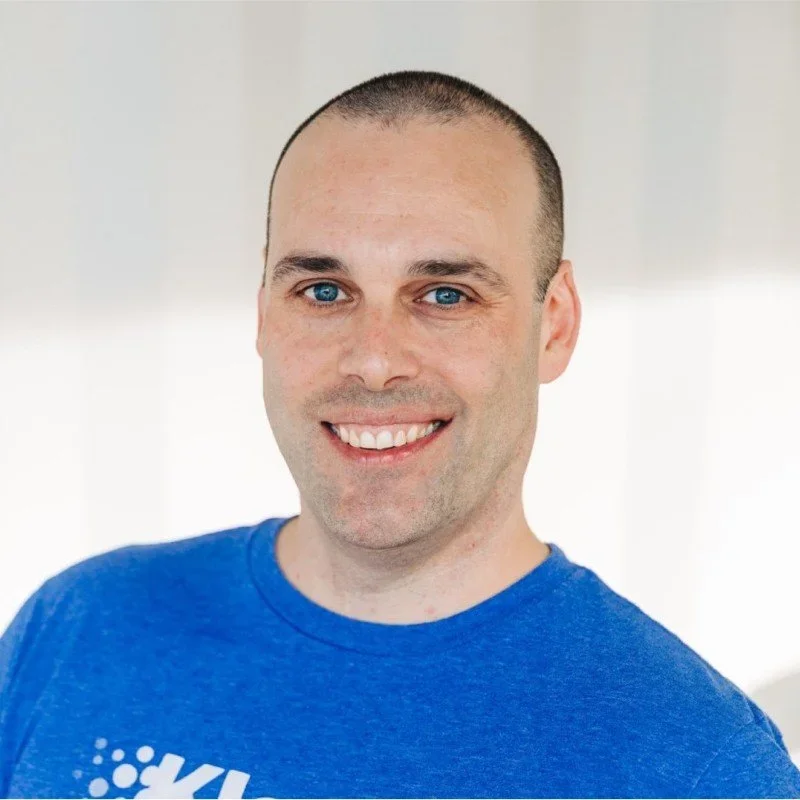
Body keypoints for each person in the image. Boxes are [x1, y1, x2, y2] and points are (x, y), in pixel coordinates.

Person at [1, 70, 798, 800]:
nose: (374, 360)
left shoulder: (697, 763)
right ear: (262, 313)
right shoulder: (84, 625)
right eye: (323, 289)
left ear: (553, 325)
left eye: (445, 294)